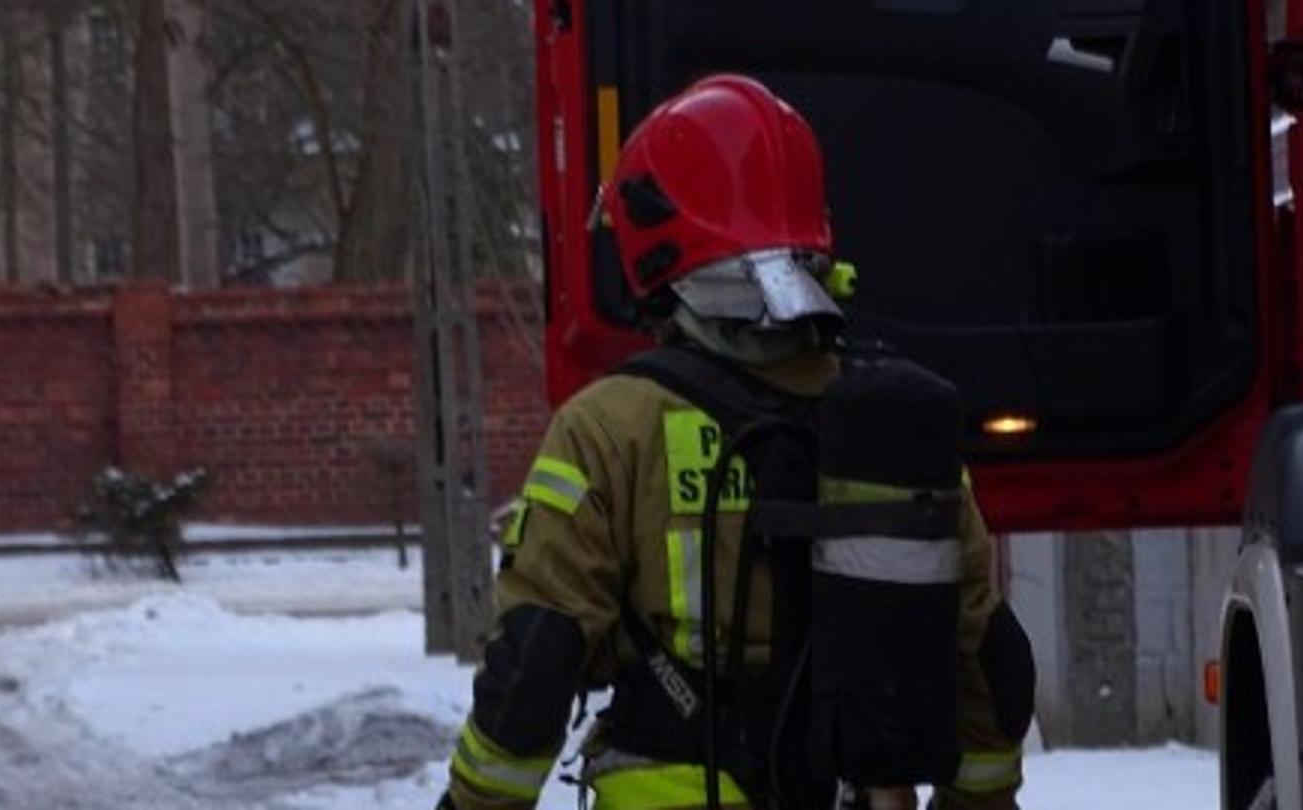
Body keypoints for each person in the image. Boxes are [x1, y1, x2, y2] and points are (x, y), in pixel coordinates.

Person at [439, 74, 1034, 810]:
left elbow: (537, 659)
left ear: (652, 243)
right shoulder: (899, 432)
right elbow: (983, 659)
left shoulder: (608, 428)